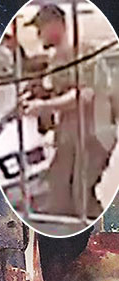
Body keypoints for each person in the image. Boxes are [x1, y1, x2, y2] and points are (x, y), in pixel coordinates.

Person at [22, 4, 118, 220]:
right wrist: (39, 95)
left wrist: (44, 105)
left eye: (41, 28)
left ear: (55, 25)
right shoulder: (56, 60)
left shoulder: (84, 53)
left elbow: (85, 95)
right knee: (55, 198)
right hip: (69, 137)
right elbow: (60, 99)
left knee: (80, 198)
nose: (39, 34)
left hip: (94, 136)